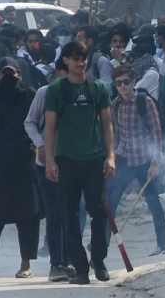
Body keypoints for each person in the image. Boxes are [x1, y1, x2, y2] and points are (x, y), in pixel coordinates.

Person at [44, 41, 116, 284]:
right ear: (65, 60)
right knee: (69, 216)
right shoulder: (56, 90)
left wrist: (111, 156)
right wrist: (50, 161)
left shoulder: (98, 89)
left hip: (94, 160)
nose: (80, 62)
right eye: (75, 58)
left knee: (99, 213)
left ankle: (99, 259)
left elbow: (107, 126)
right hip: (66, 161)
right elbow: (50, 128)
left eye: (83, 57)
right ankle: (81, 269)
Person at [0, 58, 40, 279]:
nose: (8, 78)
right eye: (4, 74)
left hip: (25, 164)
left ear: (19, 75)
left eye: (12, 74)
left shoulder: (30, 96)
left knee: (27, 216)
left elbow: (39, 126)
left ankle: (26, 263)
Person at [106, 65, 165, 256]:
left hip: (143, 159)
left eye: (126, 82)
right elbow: (115, 133)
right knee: (111, 202)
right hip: (124, 158)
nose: (123, 87)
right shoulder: (115, 104)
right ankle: (104, 243)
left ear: (133, 82)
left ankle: (162, 244)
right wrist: (112, 157)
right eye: (119, 83)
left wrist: (155, 162)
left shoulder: (145, 102)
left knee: (153, 202)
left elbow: (157, 133)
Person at [24, 58, 74, 282]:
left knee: (70, 214)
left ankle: (69, 260)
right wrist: (40, 144)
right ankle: (56, 265)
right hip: (46, 164)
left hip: (73, 163)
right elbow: (30, 122)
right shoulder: (44, 93)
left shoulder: (80, 93)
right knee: (55, 215)